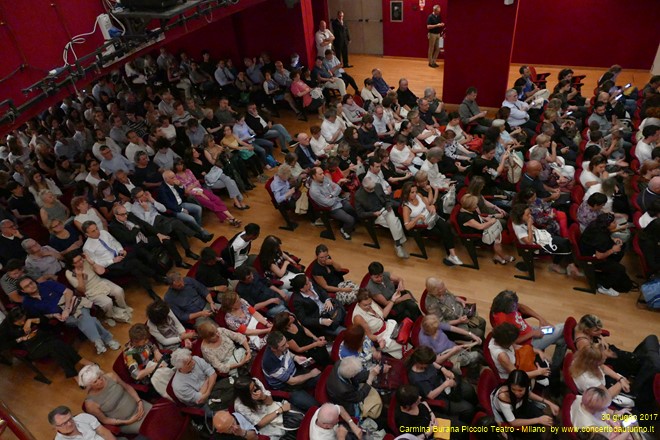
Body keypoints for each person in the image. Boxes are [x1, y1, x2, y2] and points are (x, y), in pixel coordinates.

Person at [19, 276, 121, 355]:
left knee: (82, 316)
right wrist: (54, 315)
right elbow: (41, 317)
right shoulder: (27, 303)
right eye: (27, 286)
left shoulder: (48, 284)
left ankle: (100, 341)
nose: (31, 286)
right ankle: (106, 340)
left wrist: (67, 309)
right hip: (62, 317)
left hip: (75, 306)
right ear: (23, 291)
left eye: (31, 283)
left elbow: (68, 292)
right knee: (87, 319)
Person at [0, 307, 92, 378]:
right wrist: (21, 339)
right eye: (20, 322)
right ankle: (83, 361)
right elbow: (3, 346)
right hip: (31, 348)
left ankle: (73, 375)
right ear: (12, 321)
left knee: (56, 349)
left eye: (24, 319)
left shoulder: (26, 315)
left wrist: (31, 320)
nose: (23, 322)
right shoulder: (5, 328)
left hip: (43, 338)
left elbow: (45, 321)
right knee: (56, 344)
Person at [490, 290, 566, 374]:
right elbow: (513, 341)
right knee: (564, 328)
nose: (516, 307)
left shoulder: (507, 306)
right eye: (514, 306)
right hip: (528, 343)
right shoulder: (502, 320)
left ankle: (554, 367)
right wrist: (533, 333)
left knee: (563, 339)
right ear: (507, 307)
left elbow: (522, 307)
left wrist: (540, 319)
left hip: (530, 331)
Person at [81, 221, 162, 300]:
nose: (97, 232)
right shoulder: (87, 248)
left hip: (120, 256)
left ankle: (151, 291)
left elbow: (115, 242)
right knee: (134, 263)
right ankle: (157, 277)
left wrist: (120, 249)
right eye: (93, 231)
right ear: (87, 234)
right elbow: (97, 264)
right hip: (111, 266)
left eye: (97, 228)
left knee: (136, 267)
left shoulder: (104, 233)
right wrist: (112, 260)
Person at [405, 345, 477, 423]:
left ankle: (478, 410)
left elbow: (433, 363)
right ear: (421, 363)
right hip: (439, 395)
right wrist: (446, 384)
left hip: (442, 381)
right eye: (428, 363)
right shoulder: (417, 379)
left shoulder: (424, 362)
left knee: (469, 389)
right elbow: (431, 395)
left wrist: (442, 369)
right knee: (468, 408)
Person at [78, 364, 153, 434]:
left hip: (140, 406)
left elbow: (127, 387)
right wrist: (128, 422)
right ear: (89, 385)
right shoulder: (90, 404)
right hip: (127, 422)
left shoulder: (111, 376)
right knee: (151, 429)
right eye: (95, 382)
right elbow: (105, 420)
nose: (100, 381)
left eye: (99, 377)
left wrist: (139, 401)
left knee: (160, 414)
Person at [401, 181, 463, 266]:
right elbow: (407, 227)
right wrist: (417, 218)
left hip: (431, 217)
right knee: (445, 231)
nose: (415, 194)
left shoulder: (419, 195)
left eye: (415, 191)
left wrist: (432, 207)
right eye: (412, 192)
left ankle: (452, 255)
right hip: (424, 226)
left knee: (446, 227)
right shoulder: (406, 207)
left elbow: (427, 206)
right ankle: (451, 256)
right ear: (406, 193)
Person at [64, 250, 131, 327]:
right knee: (107, 302)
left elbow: (101, 271)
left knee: (119, 290)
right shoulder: (69, 273)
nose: (81, 262)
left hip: (99, 281)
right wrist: (79, 277)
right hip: (90, 290)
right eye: (77, 262)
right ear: (72, 264)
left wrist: (91, 262)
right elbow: (82, 290)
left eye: (81, 259)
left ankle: (123, 307)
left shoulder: (86, 261)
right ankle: (110, 316)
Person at [510, 203, 578, 276]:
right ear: (520, 217)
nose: (530, 216)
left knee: (565, 241)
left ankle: (567, 265)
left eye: (529, 213)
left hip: (539, 237)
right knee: (563, 243)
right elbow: (529, 242)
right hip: (534, 247)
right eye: (527, 215)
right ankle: (564, 265)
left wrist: (535, 229)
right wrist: (529, 226)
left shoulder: (524, 220)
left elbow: (533, 229)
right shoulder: (518, 227)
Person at [262, 331, 321, 412]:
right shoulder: (270, 363)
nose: (288, 345)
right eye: (283, 345)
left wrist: (295, 357)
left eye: (286, 342)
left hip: (295, 372)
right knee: (314, 406)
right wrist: (311, 374)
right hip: (286, 386)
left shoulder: (282, 347)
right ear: (274, 349)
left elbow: (288, 353)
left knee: (322, 377)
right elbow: (292, 382)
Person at [490, 370, 559, 437]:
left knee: (546, 419)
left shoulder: (525, 388)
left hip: (522, 404)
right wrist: (538, 420)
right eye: (513, 389)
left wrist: (550, 403)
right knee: (534, 432)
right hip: (513, 414)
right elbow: (513, 422)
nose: (516, 393)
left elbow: (529, 394)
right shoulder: (503, 396)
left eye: (520, 390)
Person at [355, 175, 410, 259]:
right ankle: (398, 245)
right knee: (395, 221)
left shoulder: (377, 186)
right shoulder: (358, 196)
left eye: (373, 188)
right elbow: (360, 213)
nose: (372, 190)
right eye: (370, 189)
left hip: (384, 209)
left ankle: (398, 245)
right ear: (364, 187)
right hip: (375, 215)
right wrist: (373, 214)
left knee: (393, 220)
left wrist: (388, 205)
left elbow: (386, 199)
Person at [579, 213, 634, 296]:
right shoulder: (601, 239)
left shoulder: (596, 224)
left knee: (622, 248)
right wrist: (612, 250)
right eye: (613, 223)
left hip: (591, 248)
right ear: (607, 225)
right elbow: (599, 256)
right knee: (620, 269)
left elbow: (606, 233)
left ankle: (611, 269)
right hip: (592, 258)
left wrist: (613, 239)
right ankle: (604, 288)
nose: (615, 223)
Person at [233, 375, 300, 440]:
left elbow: (270, 402)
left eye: (254, 386)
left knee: (298, 419)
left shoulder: (255, 381)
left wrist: (263, 397)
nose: (255, 389)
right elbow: (259, 424)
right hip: (264, 421)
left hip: (270, 408)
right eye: (251, 390)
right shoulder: (240, 405)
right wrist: (280, 410)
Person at [458, 194, 514, 265]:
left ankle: (497, 256)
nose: (476, 206)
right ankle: (503, 256)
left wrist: (486, 218)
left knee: (497, 235)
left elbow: (478, 217)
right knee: (496, 239)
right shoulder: (465, 217)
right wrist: (491, 221)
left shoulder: (469, 209)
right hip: (475, 236)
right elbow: (480, 227)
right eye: (475, 205)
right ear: (470, 207)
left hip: (479, 229)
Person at [123, 323, 175, 399]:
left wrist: (157, 354)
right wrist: (155, 367)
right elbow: (137, 375)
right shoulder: (129, 354)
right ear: (135, 341)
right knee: (167, 381)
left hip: (154, 365)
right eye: (144, 341)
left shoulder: (143, 341)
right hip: (146, 376)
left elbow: (153, 347)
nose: (147, 341)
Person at [418, 314, 483, 373]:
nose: (438, 329)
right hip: (447, 358)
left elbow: (453, 329)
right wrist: (452, 351)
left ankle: (476, 367)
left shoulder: (434, 324)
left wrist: (471, 334)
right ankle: (474, 375)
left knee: (477, 353)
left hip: (455, 348)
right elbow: (436, 360)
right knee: (476, 355)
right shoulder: (424, 341)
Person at [308, 166, 358, 240]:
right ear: (314, 176)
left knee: (352, 209)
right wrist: (335, 194)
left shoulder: (324, 178)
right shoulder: (314, 191)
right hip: (331, 208)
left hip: (338, 200)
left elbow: (338, 188)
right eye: (320, 174)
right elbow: (328, 203)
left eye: (322, 173)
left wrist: (331, 195)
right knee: (350, 220)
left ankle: (347, 225)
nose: (323, 175)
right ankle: (344, 231)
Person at [352, 288, 403, 359]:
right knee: (402, 347)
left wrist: (393, 300)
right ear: (358, 302)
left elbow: (383, 314)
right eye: (365, 305)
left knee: (404, 337)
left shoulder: (370, 301)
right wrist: (380, 339)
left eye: (370, 303)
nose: (369, 306)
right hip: (380, 337)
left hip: (388, 327)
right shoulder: (358, 317)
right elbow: (369, 336)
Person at [48, 405, 117, 440]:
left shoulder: (83, 417)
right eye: (64, 423)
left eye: (70, 419)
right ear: (55, 428)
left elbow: (104, 432)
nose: (69, 424)